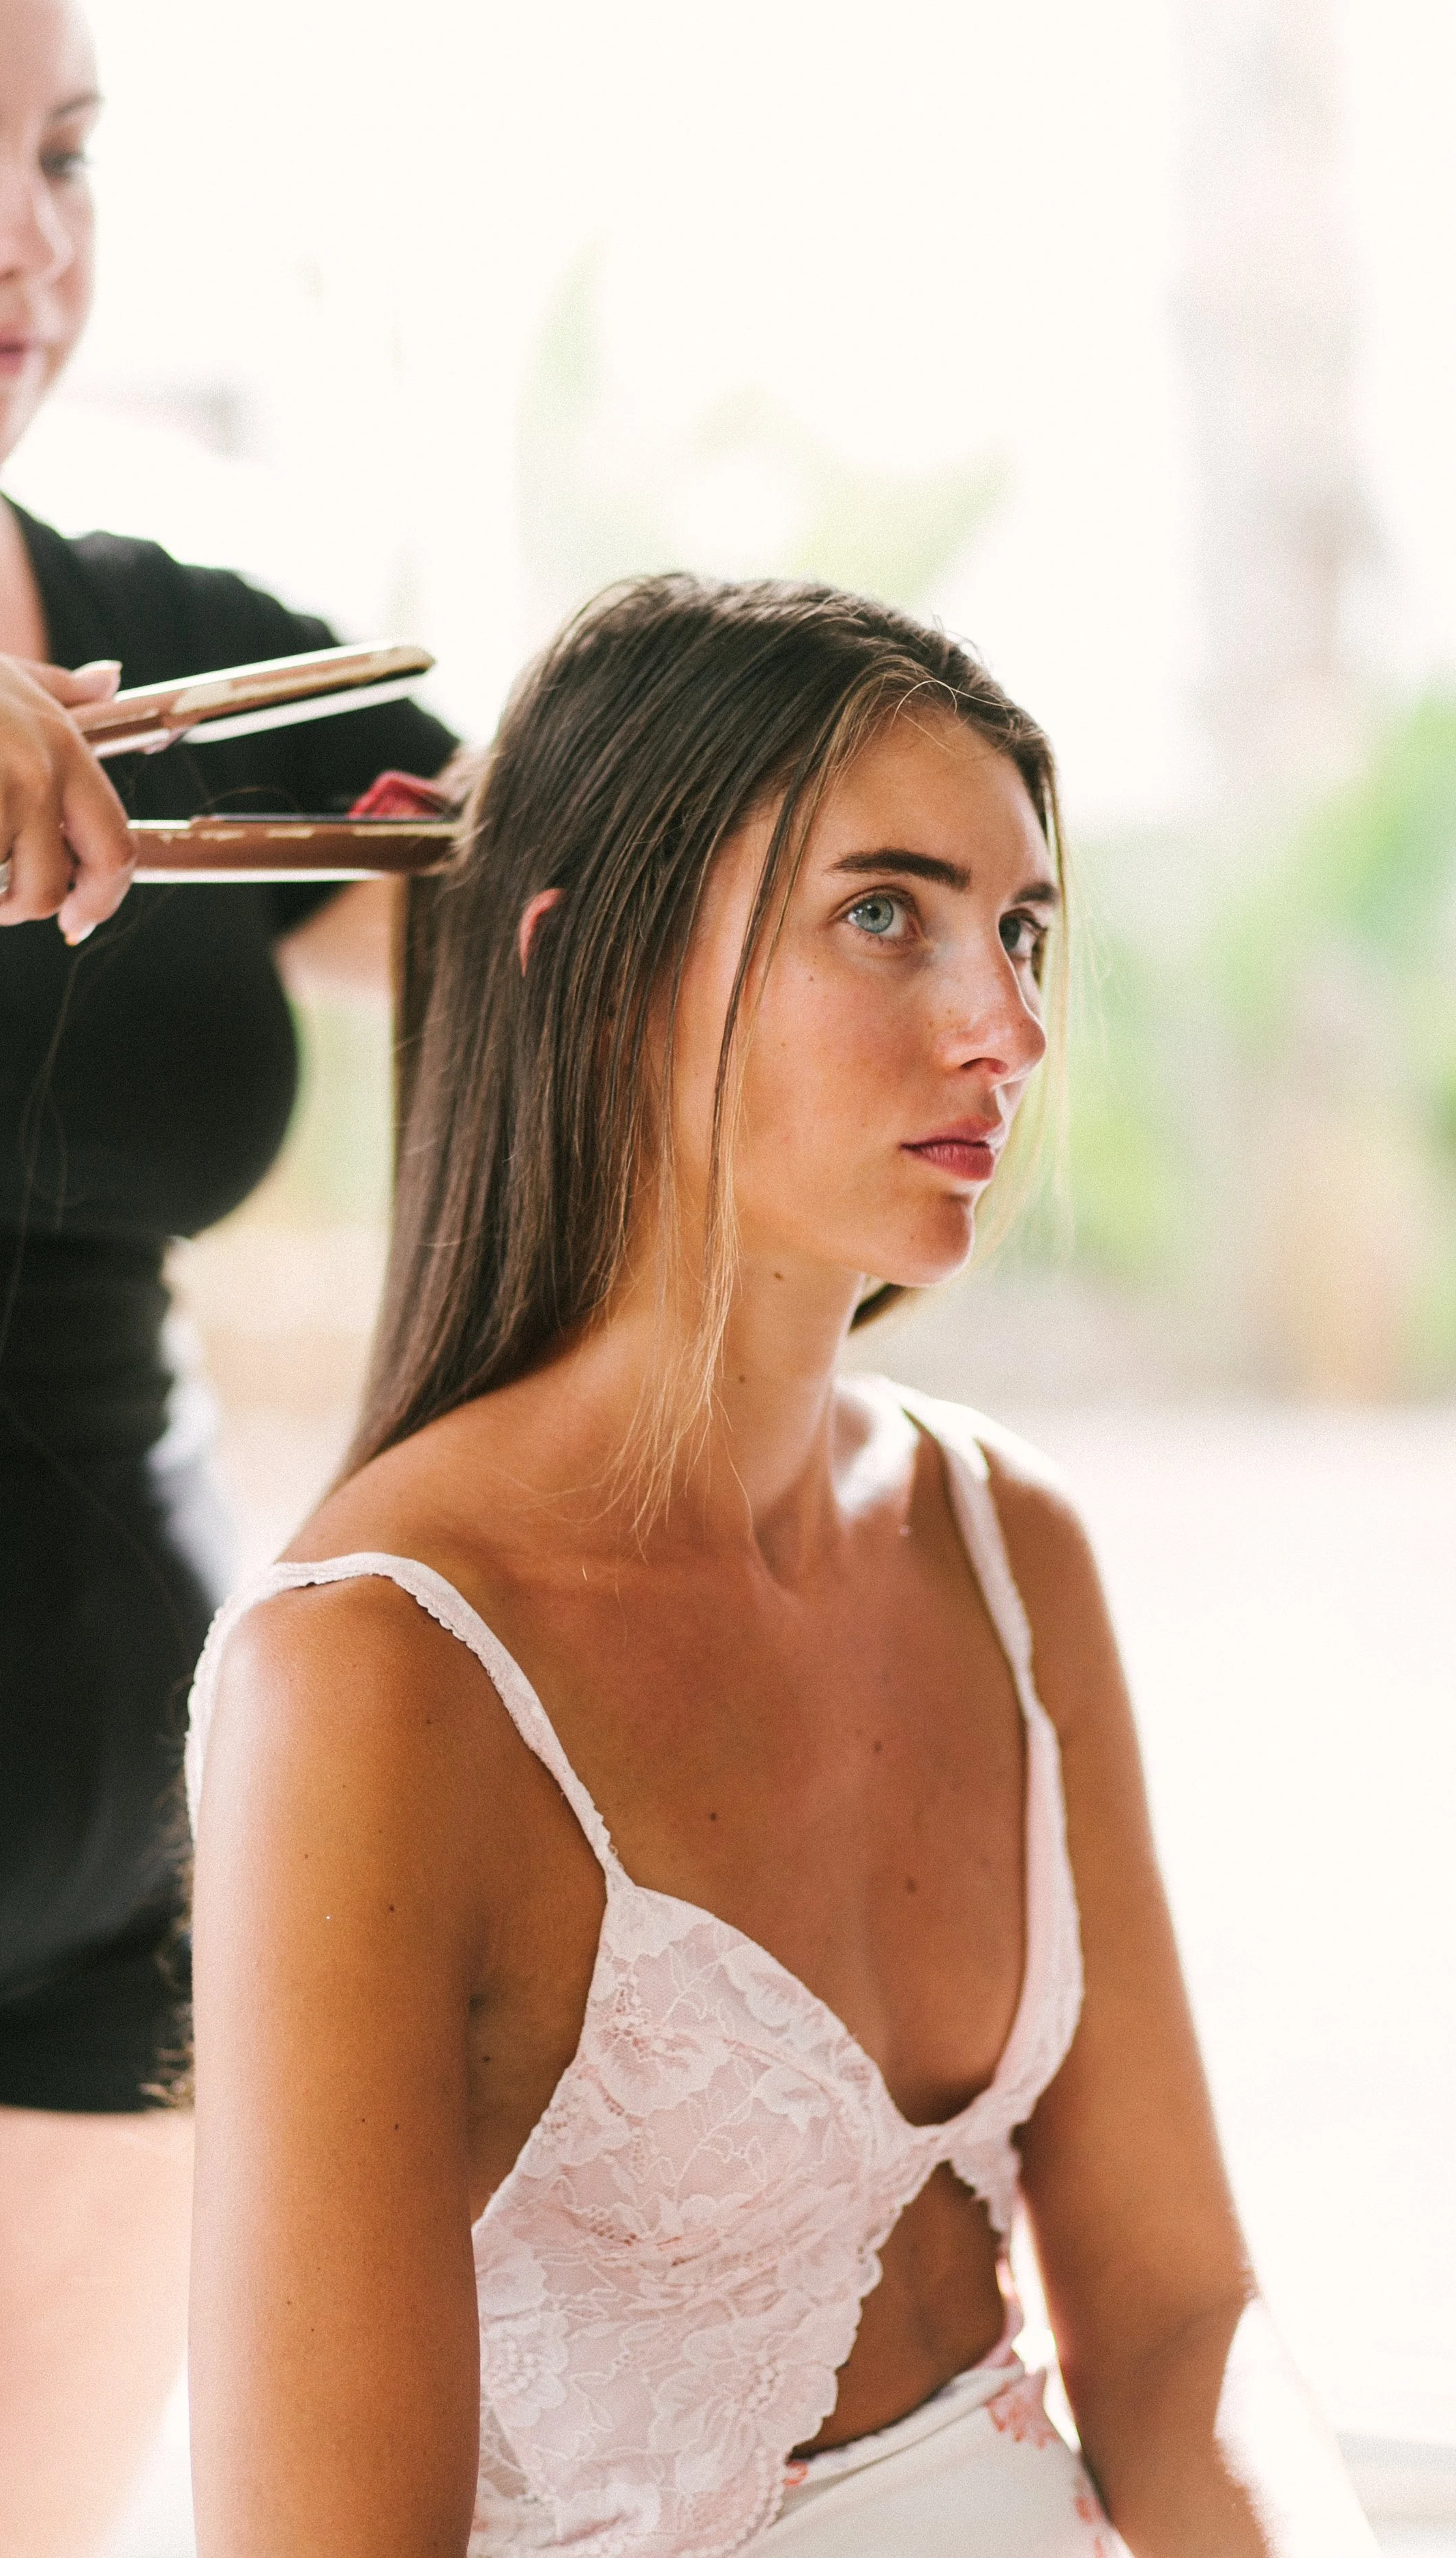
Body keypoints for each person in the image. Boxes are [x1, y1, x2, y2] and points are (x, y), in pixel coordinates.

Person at [185, 576, 1380, 2557]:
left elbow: (1171, 2321)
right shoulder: (375, 1679)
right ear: (589, 963)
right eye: (883, 914)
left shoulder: (1002, 1546)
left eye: (1020, 928)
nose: (1003, 1023)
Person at [0, 0, 455, 2550]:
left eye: (68, 154)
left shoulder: (184, 655)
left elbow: (549, 923)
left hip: (133, 1878)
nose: (24, 235)